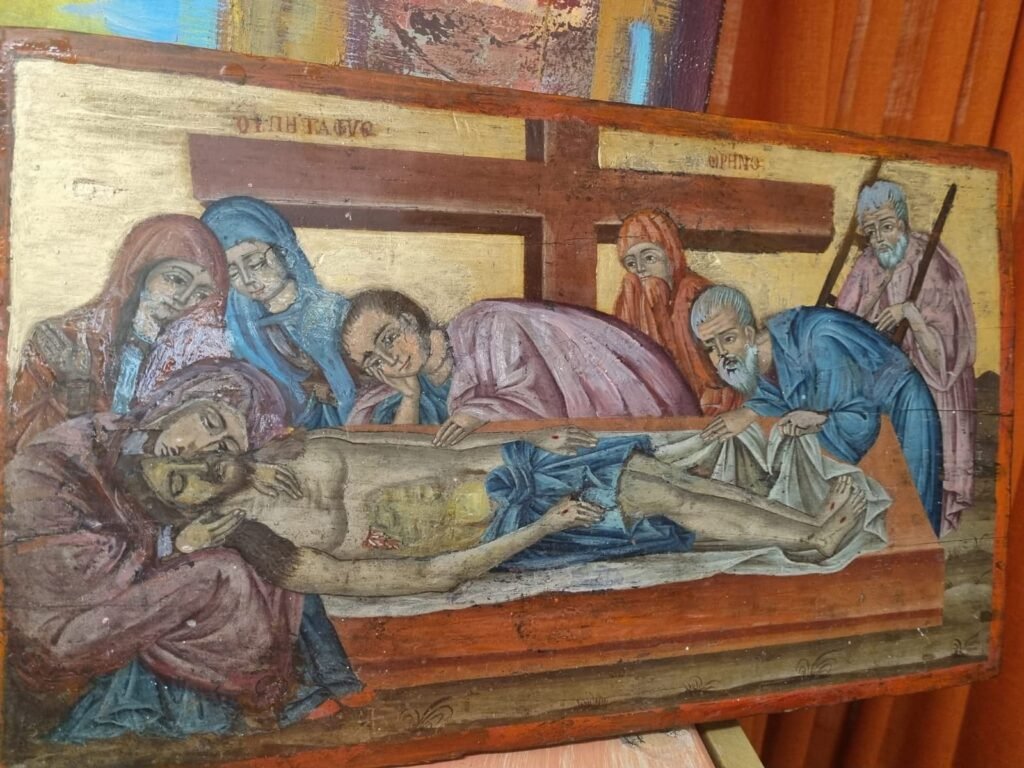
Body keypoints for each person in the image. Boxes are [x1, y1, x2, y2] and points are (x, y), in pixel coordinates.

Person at [4, 361, 359, 743]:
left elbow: (169, 501)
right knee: (221, 573)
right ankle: (263, 695)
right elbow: (72, 577)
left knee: (254, 541)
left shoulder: (149, 448)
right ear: (178, 400)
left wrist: (244, 474)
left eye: (221, 449)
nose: (199, 449)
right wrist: (178, 546)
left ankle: (308, 683)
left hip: (127, 602)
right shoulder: (71, 451)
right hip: (66, 629)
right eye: (208, 422)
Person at [139, 426, 867, 577]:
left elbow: (438, 458)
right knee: (654, 494)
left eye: (180, 455)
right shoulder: (279, 555)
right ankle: (811, 538)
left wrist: (528, 444)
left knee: (651, 471)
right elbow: (432, 576)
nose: (197, 465)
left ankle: (806, 532)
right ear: (188, 516)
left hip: (505, 472)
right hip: (509, 525)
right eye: (179, 481)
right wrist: (541, 527)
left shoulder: (296, 449)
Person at [690, 285, 944, 535]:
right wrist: (749, 412)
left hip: (901, 414)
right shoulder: (757, 357)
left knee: (910, 523)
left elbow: (860, 420)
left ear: (748, 333)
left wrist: (818, 419)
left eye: (728, 339)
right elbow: (781, 393)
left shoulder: (819, 340)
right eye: (710, 346)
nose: (721, 354)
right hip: (871, 427)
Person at [341, 291, 700, 446]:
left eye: (389, 339)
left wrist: (478, 413)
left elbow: (541, 403)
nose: (390, 361)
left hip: (603, 431)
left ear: (409, 320)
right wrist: (410, 398)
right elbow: (397, 456)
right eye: (373, 361)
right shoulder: (397, 391)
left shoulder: (488, 326)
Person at [10, 215, 229, 450]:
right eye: (175, 279)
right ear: (139, 269)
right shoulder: (63, 337)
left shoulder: (192, 361)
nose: (184, 299)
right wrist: (74, 387)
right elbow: (20, 440)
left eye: (200, 293)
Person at [836, 180, 976, 534]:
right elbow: (843, 320)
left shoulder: (931, 263)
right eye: (871, 231)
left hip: (930, 383)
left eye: (887, 226)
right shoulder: (868, 263)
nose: (880, 239)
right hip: (882, 378)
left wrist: (909, 314)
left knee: (917, 459)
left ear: (903, 222)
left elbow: (947, 354)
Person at [201, 196, 357, 429]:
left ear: (284, 251)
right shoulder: (242, 334)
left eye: (256, 263)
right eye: (232, 272)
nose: (247, 279)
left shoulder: (336, 313)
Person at [613, 210, 741, 415]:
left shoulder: (697, 295)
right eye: (631, 263)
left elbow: (723, 370)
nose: (640, 269)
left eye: (649, 258)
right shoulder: (633, 298)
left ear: (670, 256)